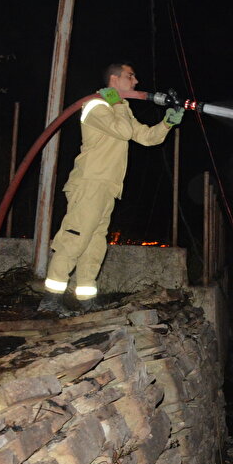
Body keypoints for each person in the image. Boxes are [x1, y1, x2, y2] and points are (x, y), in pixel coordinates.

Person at [39, 63, 183, 315]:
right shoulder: (97, 104)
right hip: (90, 183)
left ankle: (86, 299)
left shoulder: (119, 107)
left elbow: (147, 138)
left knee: (94, 246)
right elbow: (125, 131)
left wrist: (167, 123)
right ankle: (50, 300)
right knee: (74, 240)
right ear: (114, 80)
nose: (136, 81)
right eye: (131, 76)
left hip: (107, 187)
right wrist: (116, 102)